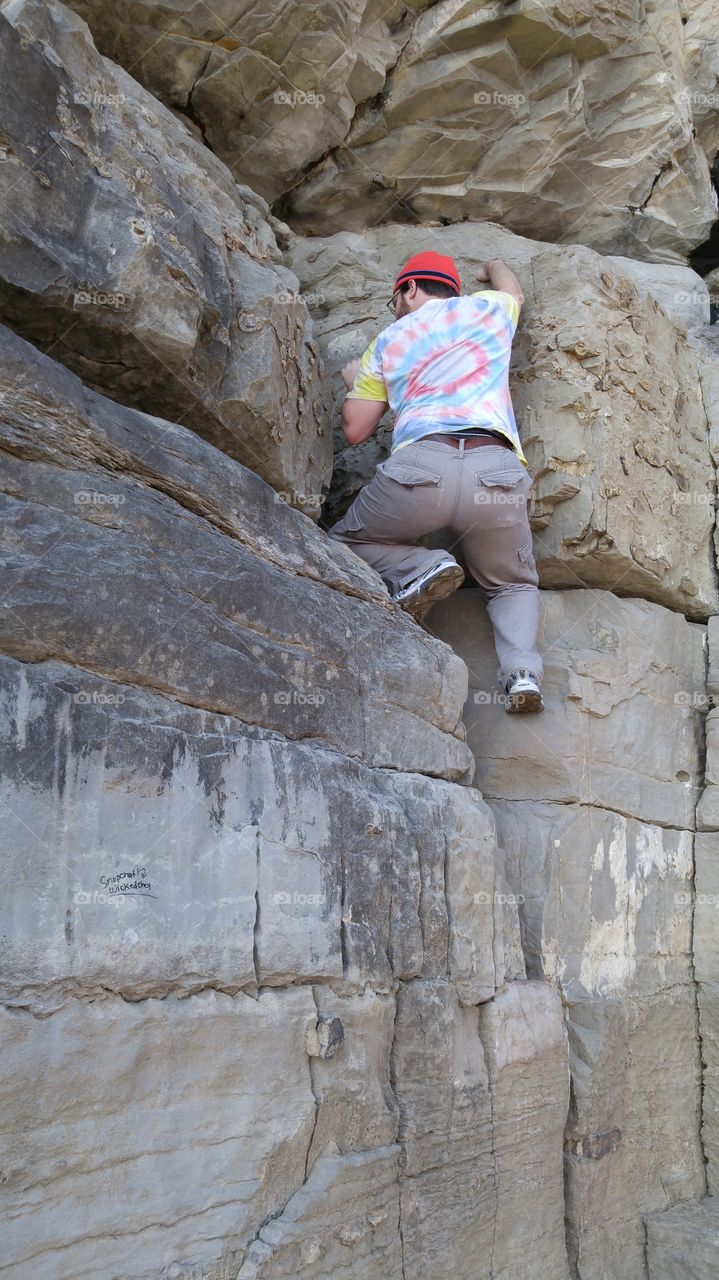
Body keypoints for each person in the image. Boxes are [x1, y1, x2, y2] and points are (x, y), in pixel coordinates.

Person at [327, 249, 543, 713]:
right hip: (495, 471)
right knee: (513, 583)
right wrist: (493, 266)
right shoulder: (487, 308)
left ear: (408, 288)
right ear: (454, 291)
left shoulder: (388, 340)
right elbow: (514, 291)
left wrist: (355, 384)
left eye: (396, 298)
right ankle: (523, 675)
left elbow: (356, 429)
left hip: (420, 469)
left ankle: (420, 567)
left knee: (341, 543)